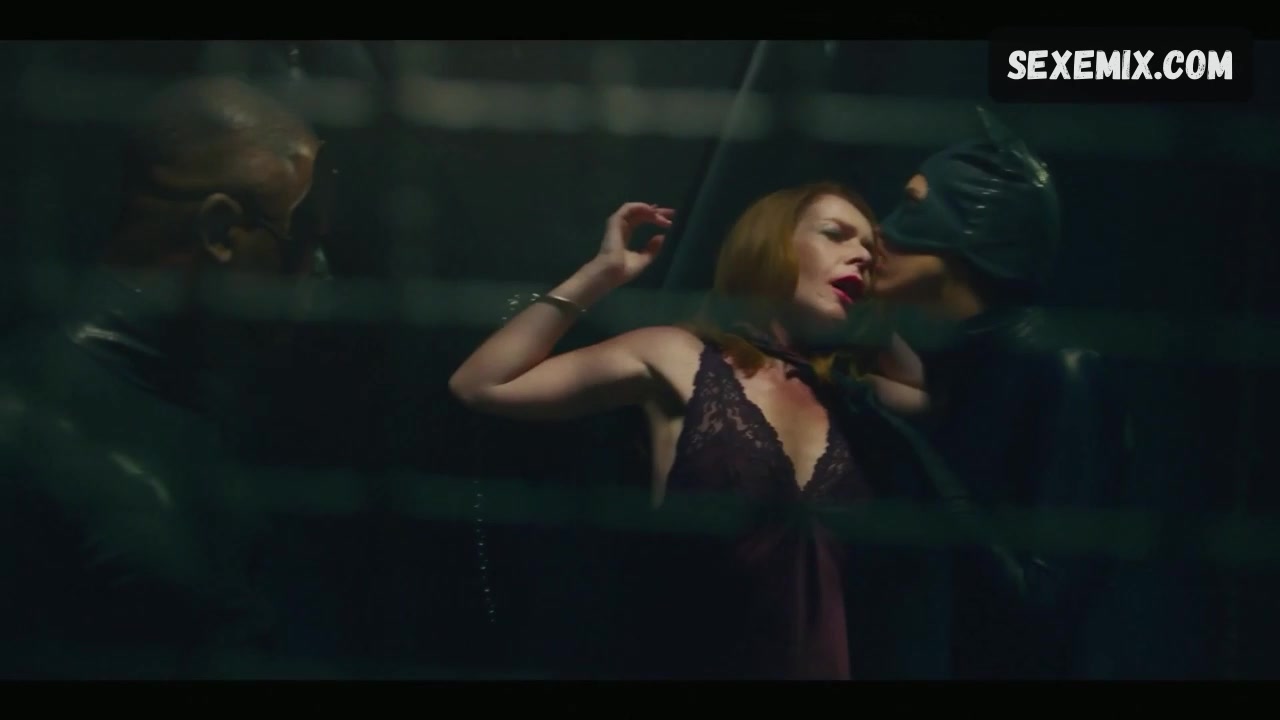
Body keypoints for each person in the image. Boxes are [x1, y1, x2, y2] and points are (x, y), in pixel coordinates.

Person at [449, 181, 929, 679]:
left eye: (870, 251)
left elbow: (926, 398)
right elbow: (482, 383)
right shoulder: (678, 357)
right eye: (836, 234)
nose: (861, 256)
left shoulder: (849, 396)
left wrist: (878, 303)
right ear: (769, 246)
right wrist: (601, 273)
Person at [0, 76, 329, 678]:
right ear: (220, 232)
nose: (320, 270)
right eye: (300, 235)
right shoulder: (121, 474)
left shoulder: (70, 399)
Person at [872, 107, 1131, 679]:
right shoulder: (953, 365)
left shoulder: (1062, 369)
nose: (879, 234)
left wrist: (915, 440)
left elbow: (1043, 606)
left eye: (916, 206)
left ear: (975, 228)